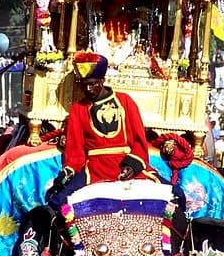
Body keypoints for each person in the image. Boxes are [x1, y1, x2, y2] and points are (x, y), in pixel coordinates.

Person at [50, 52, 156, 202]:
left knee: (174, 193)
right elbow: (75, 150)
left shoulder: (125, 101)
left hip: (125, 163)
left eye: (93, 84)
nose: (88, 89)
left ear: (102, 80)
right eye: (84, 84)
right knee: (58, 200)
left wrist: (132, 166)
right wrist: (69, 171)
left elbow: (139, 141)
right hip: (94, 167)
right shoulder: (78, 109)